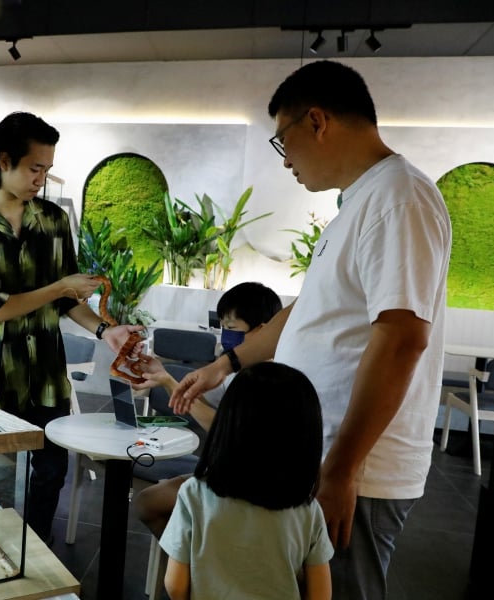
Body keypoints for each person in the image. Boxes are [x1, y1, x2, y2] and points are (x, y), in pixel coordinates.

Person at [169, 60, 451, 600]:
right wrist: (224, 365)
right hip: (315, 453)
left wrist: (343, 470)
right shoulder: (360, 203)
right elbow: (307, 313)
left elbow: (401, 339)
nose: (287, 161)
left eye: (283, 141)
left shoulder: (399, 199)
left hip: (355, 464)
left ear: (317, 121)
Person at [0, 111, 142, 544]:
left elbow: (69, 301)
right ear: (3, 161)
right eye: (35, 168)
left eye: (47, 170)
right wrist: (59, 287)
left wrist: (103, 330)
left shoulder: (53, 221)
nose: (42, 179)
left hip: (47, 374)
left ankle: (38, 557)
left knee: (50, 472)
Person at [160, 361, 333, 600]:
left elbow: (175, 586)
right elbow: (321, 595)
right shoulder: (308, 510)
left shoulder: (194, 494)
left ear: (227, 425)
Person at [131, 281, 282, 538]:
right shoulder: (234, 371)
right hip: (226, 473)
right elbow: (195, 399)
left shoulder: (272, 380)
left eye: (232, 329)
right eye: (222, 327)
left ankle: (195, 565)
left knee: (149, 504)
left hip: (252, 486)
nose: (225, 336)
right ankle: (193, 564)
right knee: (152, 504)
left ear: (262, 331)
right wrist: (165, 379)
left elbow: (223, 428)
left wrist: (169, 382)